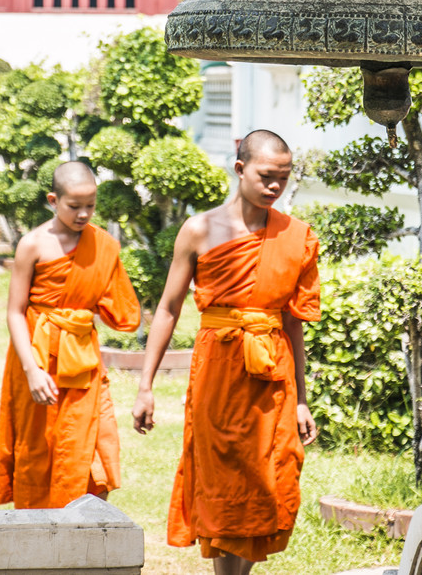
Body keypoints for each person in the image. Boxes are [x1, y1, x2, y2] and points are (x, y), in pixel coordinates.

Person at [132, 129, 320, 574]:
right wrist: (145, 386)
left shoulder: (295, 236)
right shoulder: (200, 230)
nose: (275, 186)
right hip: (218, 370)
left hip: (272, 372)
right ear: (240, 169)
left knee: (267, 475)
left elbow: (293, 321)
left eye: (284, 178)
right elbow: (168, 308)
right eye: (266, 176)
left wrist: (301, 399)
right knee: (221, 475)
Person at [0, 161, 141, 508]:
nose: (83, 214)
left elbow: (119, 309)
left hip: (84, 362)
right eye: (74, 206)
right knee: (39, 445)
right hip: (37, 357)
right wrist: (31, 370)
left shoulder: (102, 245)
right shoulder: (32, 244)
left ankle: (88, 526)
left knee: (95, 443)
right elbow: (15, 311)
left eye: (91, 205)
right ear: (53, 200)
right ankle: (38, 529)